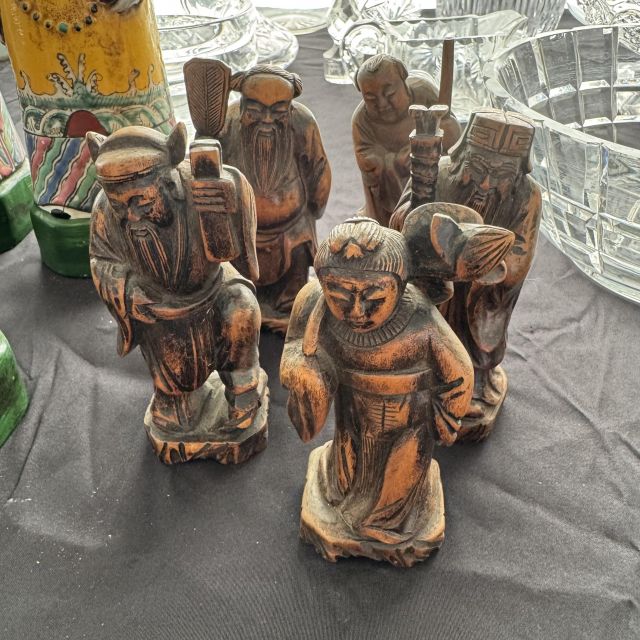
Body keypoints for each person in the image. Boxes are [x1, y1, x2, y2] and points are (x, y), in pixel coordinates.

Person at [281, 217, 474, 565]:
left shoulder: (421, 320)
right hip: (350, 419)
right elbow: (295, 348)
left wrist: (446, 416)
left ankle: (387, 525)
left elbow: (459, 373)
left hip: (407, 426)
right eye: (339, 296)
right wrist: (304, 370)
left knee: (391, 506)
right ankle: (341, 511)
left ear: (399, 287)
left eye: (374, 297)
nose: (356, 311)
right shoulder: (314, 306)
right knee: (341, 485)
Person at [87, 123, 268, 463]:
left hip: (214, 290)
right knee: (176, 415)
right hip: (159, 309)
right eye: (119, 204)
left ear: (167, 182)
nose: (132, 215)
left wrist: (228, 196)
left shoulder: (197, 188)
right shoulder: (104, 212)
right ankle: (178, 399)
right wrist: (129, 293)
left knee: (241, 310)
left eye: (142, 200)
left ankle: (244, 392)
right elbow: (102, 261)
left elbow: (238, 246)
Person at [392, 109, 543, 441]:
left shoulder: (527, 195)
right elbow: (400, 219)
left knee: (476, 339)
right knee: (421, 330)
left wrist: (476, 261)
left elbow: (521, 252)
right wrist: (419, 218)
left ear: (518, 171)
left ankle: (471, 384)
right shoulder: (440, 172)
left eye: (501, 173)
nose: (486, 183)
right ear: (463, 154)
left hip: (483, 290)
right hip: (434, 278)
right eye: (478, 167)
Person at [218, 65, 331, 332]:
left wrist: (315, 205)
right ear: (243, 104)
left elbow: (318, 168)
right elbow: (210, 165)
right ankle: (245, 308)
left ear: (289, 107)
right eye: (256, 110)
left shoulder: (302, 121)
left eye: (278, 111)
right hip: (241, 230)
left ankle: (290, 308)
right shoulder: (227, 121)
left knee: (295, 281)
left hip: (293, 230)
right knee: (238, 290)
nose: (267, 120)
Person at [352, 54, 461, 226]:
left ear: (404, 82)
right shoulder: (362, 119)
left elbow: (451, 130)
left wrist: (427, 146)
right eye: (371, 99)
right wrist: (392, 160)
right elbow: (365, 157)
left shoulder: (424, 92)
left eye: (390, 94)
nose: (382, 104)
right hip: (390, 193)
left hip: (432, 176)